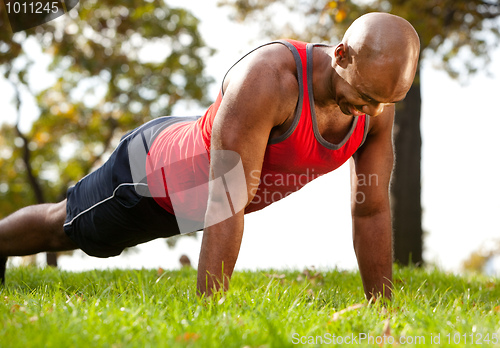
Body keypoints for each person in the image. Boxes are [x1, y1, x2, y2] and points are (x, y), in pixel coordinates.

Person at [0, 12, 420, 300]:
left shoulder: (375, 101)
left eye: (386, 101)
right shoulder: (269, 80)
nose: (374, 111)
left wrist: (379, 310)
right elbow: (227, 201)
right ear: (342, 55)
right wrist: (210, 318)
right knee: (66, 228)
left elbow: (371, 210)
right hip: (155, 175)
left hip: (207, 186)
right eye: (365, 97)